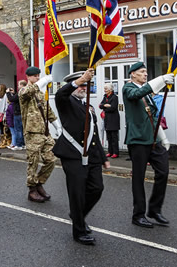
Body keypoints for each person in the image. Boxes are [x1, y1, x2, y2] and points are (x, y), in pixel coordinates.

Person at [54, 69, 109, 245]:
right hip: (72, 155)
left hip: (91, 156)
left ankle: (77, 214)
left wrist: (103, 157)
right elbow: (61, 93)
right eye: (80, 84)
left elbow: (93, 135)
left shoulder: (89, 107)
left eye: (85, 85)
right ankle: (79, 231)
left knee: (97, 188)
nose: (83, 88)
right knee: (77, 194)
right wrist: (78, 80)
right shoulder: (66, 101)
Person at [122, 61, 173, 228]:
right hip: (138, 141)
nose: (145, 74)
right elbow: (135, 95)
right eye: (142, 72)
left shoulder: (147, 94)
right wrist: (160, 80)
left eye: (146, 72)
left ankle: (154, 210)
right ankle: (138, 215)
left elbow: (154, 118)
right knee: (138, 178)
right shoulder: (128, 88)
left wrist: (163, 138)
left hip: (153, 141)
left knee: (163, 172)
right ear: (133, 74)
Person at [19, 67, 62, 203]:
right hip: (32, 132)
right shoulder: (24, 91)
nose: (37, 77)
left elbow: (48, 111)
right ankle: (32, 190)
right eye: (35, 76)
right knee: (33, 162)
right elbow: (27, 92)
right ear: (28, 77)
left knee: (52, 159)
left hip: (44, 132)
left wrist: (58, 127)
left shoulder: (40, 94)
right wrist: (42, 81)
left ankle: (39, 183)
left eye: (39, 75)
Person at [99, 83, 120, 159]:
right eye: (104, 89)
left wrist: (105, 106)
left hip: (113, 119)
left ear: (110, 90)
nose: (104, 90)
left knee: (114, 137)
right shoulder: (105, 97)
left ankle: (115, 152)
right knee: (109, 137)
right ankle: (110, 151)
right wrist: (105, 105)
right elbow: (100, 105)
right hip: (107, 119)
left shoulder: (114, 97)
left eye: (106, 89)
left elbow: (113, 108)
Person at [6, 81, 27, 150]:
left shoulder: (22, 91)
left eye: (18, 85)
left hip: (18, 113)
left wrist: (8, 92)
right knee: (21, 129)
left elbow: (11, 99)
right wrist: (13, 93)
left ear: (21, 85)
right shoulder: (25, 91)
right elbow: (17, 98)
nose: (18, 86)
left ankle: (19, 145)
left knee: (18, 130)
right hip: (22, 113)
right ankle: (23, 144)